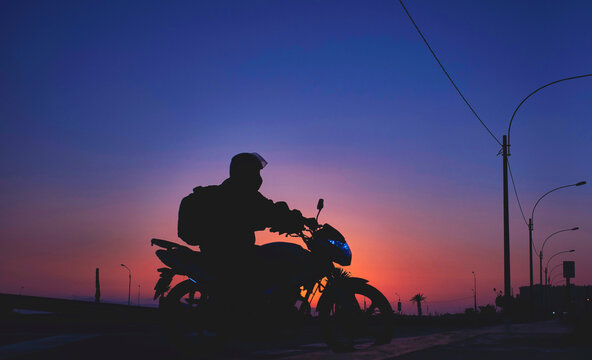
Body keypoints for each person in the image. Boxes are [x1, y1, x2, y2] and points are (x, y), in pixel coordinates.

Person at [178, 152, 317, 287]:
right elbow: (270, 212)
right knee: (279, 264)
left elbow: (269, 210)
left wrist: (299, 219)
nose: (258, 177)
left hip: (221, 251)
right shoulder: (241, 194)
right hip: (233, 255)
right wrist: (295, 221)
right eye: (255, 172)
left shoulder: (228, 191)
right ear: (245, 172)